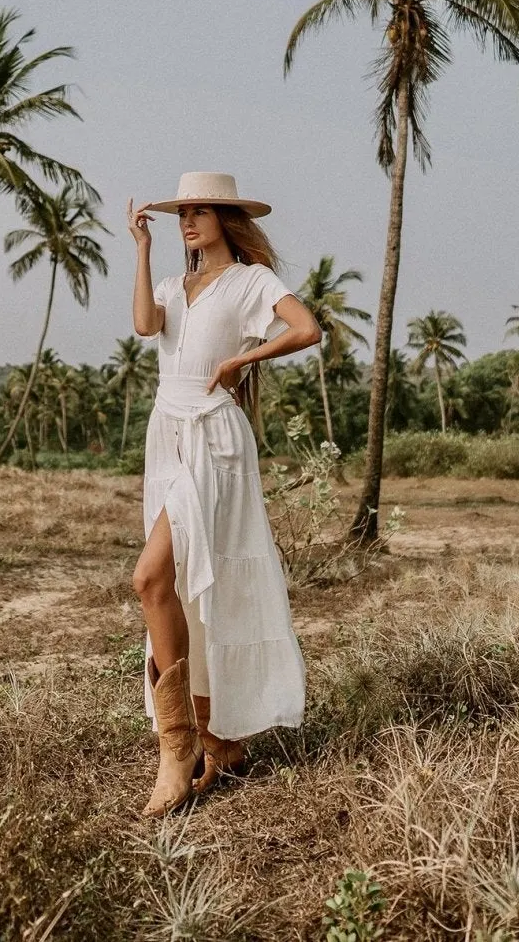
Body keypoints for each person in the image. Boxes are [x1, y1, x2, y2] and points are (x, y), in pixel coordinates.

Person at [127, 171, 322, 816]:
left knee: (150, 578)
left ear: (226, 219)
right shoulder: (174, 286)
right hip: (167, 433)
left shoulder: (251, 282)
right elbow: (142, 325)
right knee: (179, 584)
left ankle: (176, 746)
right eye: (182, 211)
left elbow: (306, 328)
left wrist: (242, 362)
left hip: (214, 436)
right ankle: (219, 740)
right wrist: (143, 250)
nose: (187, 220)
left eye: (199, 210)